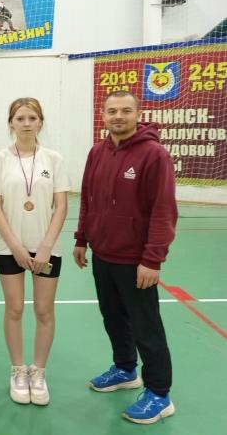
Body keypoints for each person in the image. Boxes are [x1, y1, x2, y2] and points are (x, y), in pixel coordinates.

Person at [73, 91, 177, 425]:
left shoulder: (154, 155)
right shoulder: (97, 152)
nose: (118, 116)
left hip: (136, 260)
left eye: (125, 110)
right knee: (113, 318)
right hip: (103, 254)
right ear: (103, 115)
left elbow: (163, 210)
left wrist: (152, 259)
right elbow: (88, 198)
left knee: (146, 327)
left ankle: (159, 394)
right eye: (112, 111)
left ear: (137, 114)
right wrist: (82, 238)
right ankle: (125, 369)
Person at [0, 98, 70, 406]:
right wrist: (16, 246)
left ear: (40, 122)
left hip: (47, 249)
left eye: (32, 118)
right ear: (11, 122)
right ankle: (18, 371)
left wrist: (45, 247)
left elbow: (61, 206)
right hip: (9, 247)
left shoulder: (54, 159)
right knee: (15, 309)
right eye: (20, 118)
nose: (26, 123)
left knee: (44, 311)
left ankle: (38, 372)